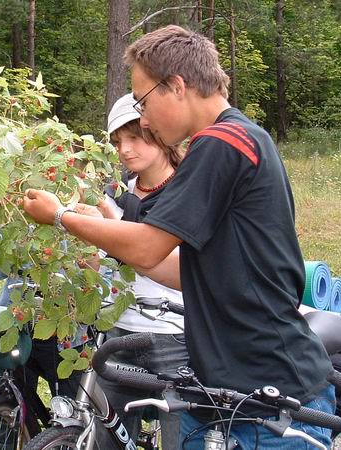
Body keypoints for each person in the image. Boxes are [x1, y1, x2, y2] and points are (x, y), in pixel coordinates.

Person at [23, 25, 335, 448]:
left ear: (176, 86)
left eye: (144, 103)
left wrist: (59, 216)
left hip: (266, 395)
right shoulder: (240, 138)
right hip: (221, 395)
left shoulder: (222, 143)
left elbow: (149, 245)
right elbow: (180, 268)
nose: (145, 120)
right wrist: (106, 232)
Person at [93, 93, 188, 449]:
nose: (125, 149)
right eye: (117, 141)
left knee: (180, 438)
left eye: (134, 137)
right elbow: (105, 261)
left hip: (174, 336)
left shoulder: (185, 190)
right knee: (109, 436)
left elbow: (152, 255)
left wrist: (107, 217)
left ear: (159, 133)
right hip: (119, 332)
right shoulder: (119, 191)